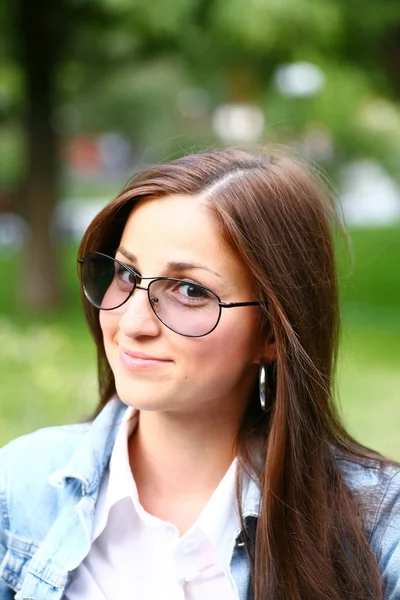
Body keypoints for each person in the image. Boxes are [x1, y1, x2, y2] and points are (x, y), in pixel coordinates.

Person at [0, 148, 399, 600]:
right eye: (127, 274)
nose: (132, 324)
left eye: (190, 291)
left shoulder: (382, 529)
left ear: (271, 333)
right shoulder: (20, 487)